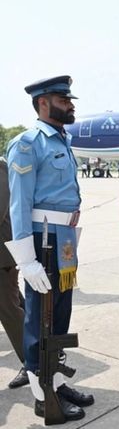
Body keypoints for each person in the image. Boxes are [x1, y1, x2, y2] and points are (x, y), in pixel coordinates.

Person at [5, 75, 93, 421]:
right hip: (43, 240)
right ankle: (43, 397)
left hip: (65, 239)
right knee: (38, 318)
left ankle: (55, 381)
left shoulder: (62, 140)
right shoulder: (28, 144)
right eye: (63, 100)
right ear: (43, 103)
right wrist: (26, 260)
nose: (70, 105)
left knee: (58, 314)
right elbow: (19, 204)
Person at [0, 157, 28, 389]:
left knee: (9, 310)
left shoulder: (0, 169)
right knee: (15, 304)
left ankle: (33, 363)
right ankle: (43, 346)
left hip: (2, 257)